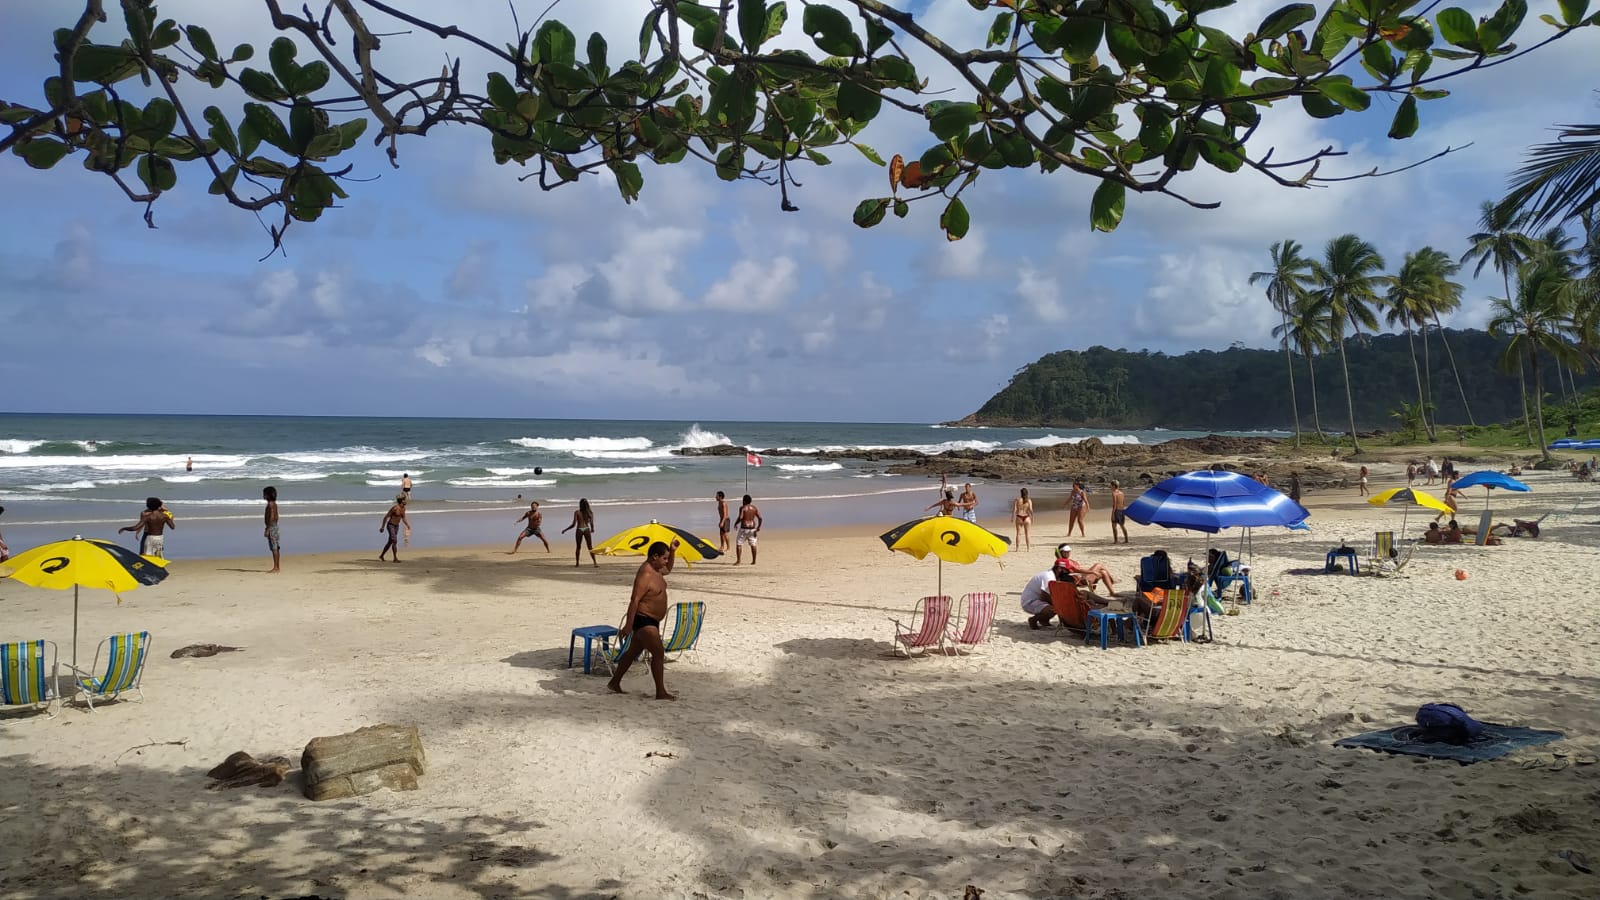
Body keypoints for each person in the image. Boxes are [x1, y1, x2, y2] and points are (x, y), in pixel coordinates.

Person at [605, 539, 680, 700]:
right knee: (658, 653)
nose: (666, 562)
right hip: (643, 619)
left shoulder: (658, 569)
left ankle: (615, 682)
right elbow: (635, 600)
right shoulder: (645, 574)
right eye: (664, 558)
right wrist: (628, 625)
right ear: (654, 557)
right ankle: (660, 692)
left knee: (633, 652)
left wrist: (672, 551)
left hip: (652, 620)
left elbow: (668, 570)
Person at [1019, 558, 1077, 629]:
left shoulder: (1052, 575)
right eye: (1066, 570)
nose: (1067, 572)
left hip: (1037, 599)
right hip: (1030, 602)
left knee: (1057, 605)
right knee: (1053, 609)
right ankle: (1033, 620)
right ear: (1059, 569)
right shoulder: (1049, 578)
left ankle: (1044, 620)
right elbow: (1044, 596)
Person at [561, 498, 598, 567]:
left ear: (580, 504)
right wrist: (592, 529)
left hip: (579, 529)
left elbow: (573, 524)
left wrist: (565, 530)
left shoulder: (577, 512)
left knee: (578, 547)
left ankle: (577, 563)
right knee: (590, 547)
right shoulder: (590, 512)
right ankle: (595, 562)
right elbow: (591, 523)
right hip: (586, 529)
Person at [379, 493, 409, 562]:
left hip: (396, 526)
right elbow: (385, 517)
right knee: (394, 540)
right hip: (390, 525)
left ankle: (381, 555)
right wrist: (382, 527)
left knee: (390, 542)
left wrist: (407, 525)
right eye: (405, 500)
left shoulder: (403, 508)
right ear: (401, 501)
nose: (406, 501)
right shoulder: (395, 508)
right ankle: (395, 558)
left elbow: (403, 518)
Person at [735, 493, 762, 565]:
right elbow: (760, 518)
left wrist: (736, 523)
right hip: (752, 528)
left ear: (744, 501)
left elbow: (740, 517)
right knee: (753, 545)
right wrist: (759, 527)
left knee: (739, 544)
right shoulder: (754, 508)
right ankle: (754, 561)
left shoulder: (742, 508)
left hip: (744, 528)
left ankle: (738, 561)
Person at [263, 486, 280, 572]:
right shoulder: (274, 504)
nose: (263, 495)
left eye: (264, 494)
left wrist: (268, 529)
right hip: (274, 526)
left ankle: (276, 567)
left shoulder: (270, 504)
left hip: (272, 527)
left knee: (274, 547)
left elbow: (272, 516)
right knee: (275, 547)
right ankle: (277, 566)